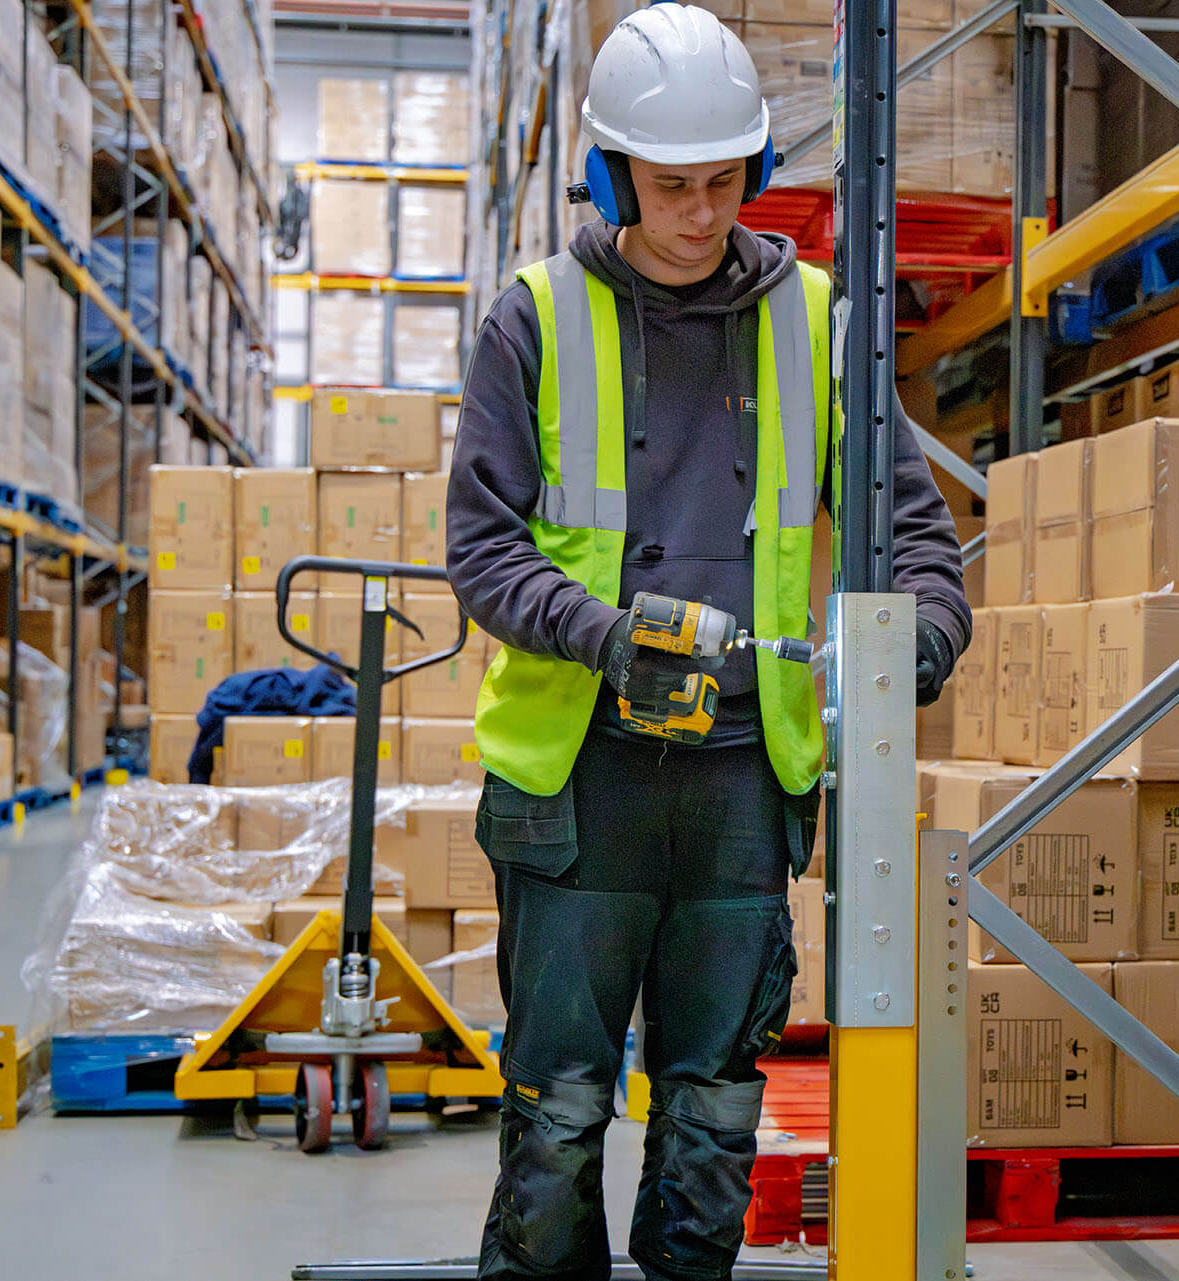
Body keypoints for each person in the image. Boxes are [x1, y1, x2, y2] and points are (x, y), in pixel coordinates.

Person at [445, 5, 971, 1278]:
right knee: (561, 1106)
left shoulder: (821, 320)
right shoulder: (534, 319)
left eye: (725, 183)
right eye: (671, 185)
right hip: (580, 781)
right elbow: (482, 546)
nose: (700, 211)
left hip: (745, 777)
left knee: (714, 1107)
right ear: (611, 175)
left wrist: (929, 632)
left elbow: (914, 524)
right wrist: (604, 634)